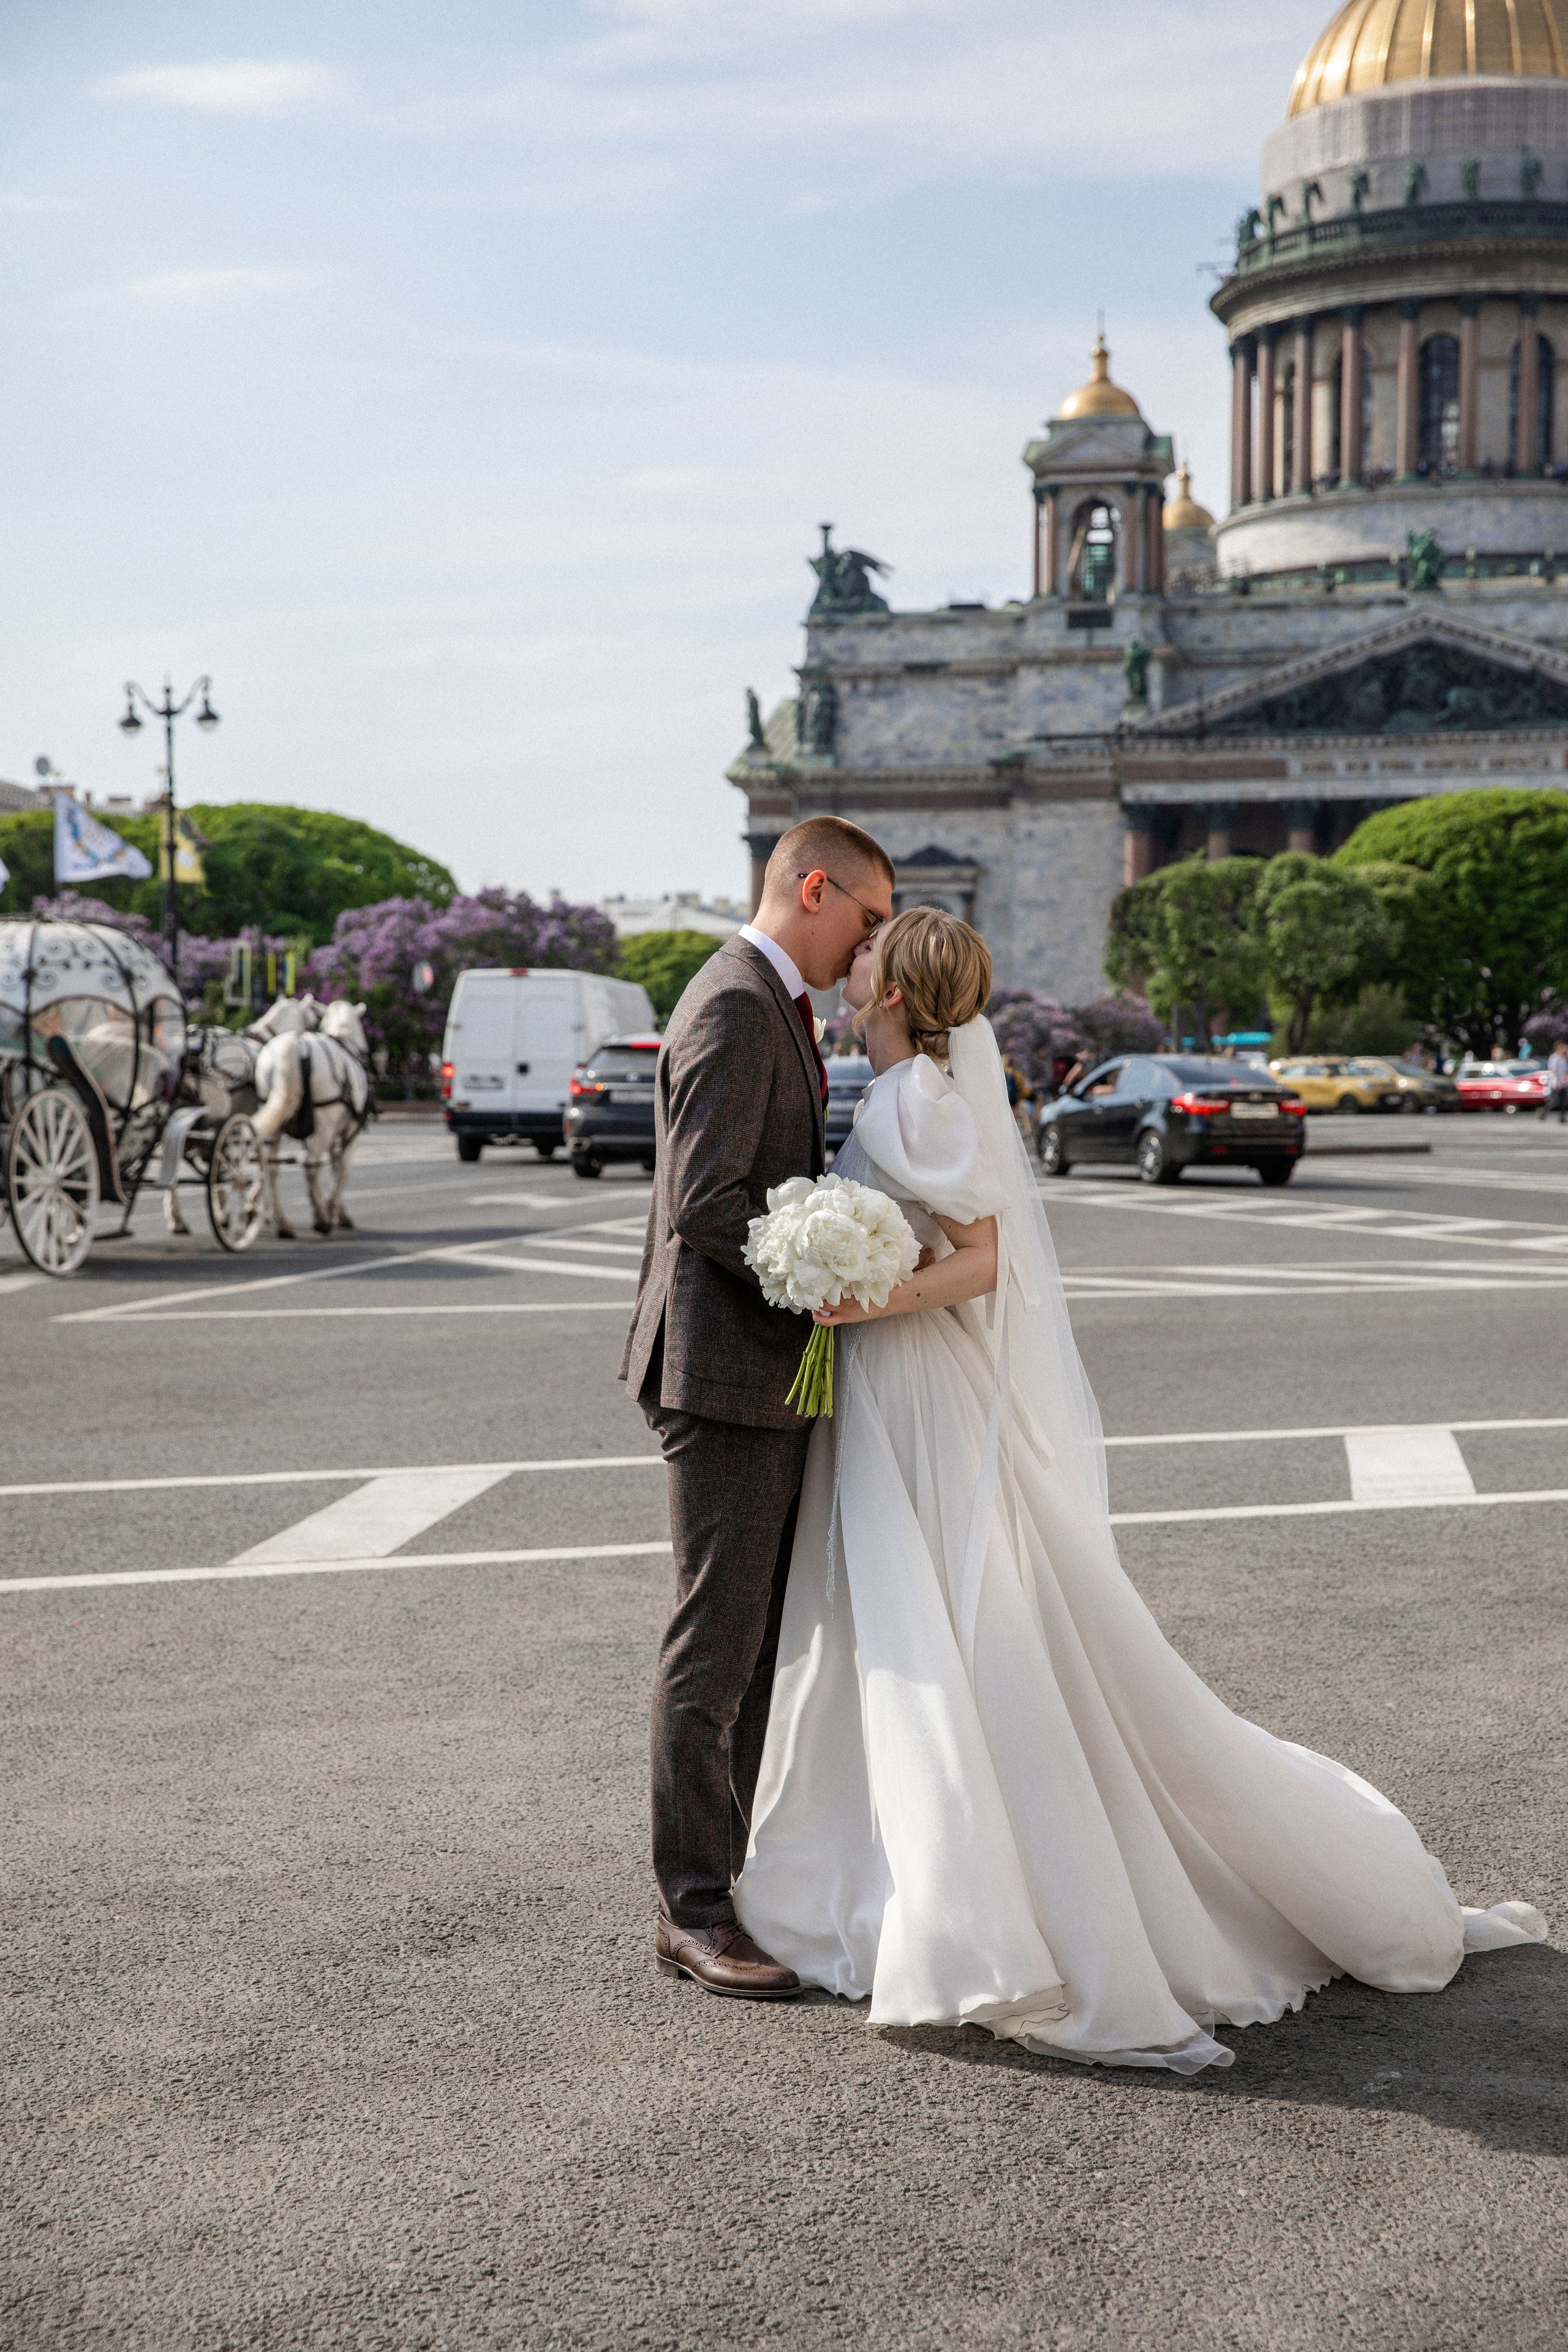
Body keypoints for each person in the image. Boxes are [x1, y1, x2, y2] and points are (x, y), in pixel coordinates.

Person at [734, 907, 1546, 2071]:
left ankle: (973, 1899)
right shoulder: (899, 1089)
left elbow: (984, 1258)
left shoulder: (915, 1098)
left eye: (869, 950)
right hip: (890, 1381)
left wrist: (862, 1299)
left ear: (896, 992)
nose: (850, 955)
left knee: (936, 1615)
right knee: (906, 1617)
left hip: (910, 1381)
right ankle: (907, 1870)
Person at [622, 814, 895, 1999]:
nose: (870, 947)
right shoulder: (737, 1002)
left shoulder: (771, 1001)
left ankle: (724, 1886)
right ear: (815, 889)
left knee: (750, 1648)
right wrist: (820, 1272)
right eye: (868, 920)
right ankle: (690, 1907)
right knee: (717, 1647)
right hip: (726, 1371)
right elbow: (705, 1201)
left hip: (754, 1367)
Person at [1539, 1038, 1568, 1123]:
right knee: (1555, 1101)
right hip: (1556, 1083)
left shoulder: (1563, 1058)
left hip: (1563, 1082)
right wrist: (1557, 1083)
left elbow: (1565, 1071)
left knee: (1564, 1101)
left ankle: (1562, 1118)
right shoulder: (1554, 1058)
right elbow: (1553, 1071)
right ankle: (1544, 1111)